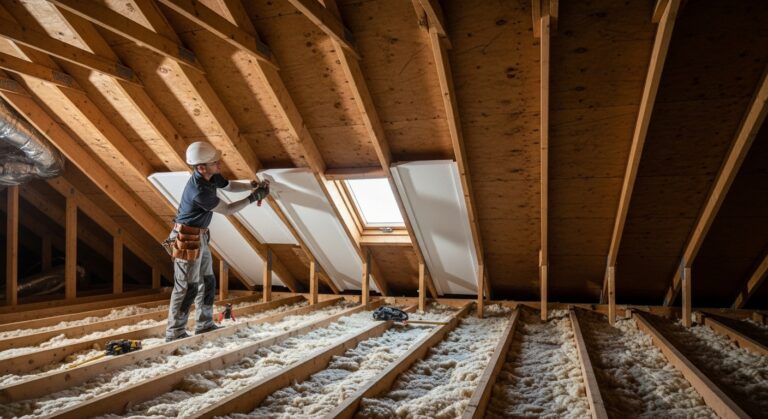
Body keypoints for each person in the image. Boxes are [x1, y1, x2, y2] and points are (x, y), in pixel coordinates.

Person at [164, 142, 269, 342]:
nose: (219, 164)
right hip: (186, 238)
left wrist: (251, 185)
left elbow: (228, 185)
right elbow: (227, 209)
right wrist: (253, 197)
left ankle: (204, 324)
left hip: (201, 236)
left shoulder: (211, 176)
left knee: (207, 281)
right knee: (187, 287)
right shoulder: (199, 191)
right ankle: (175, 332)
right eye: (215, 162)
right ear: (201, 167)